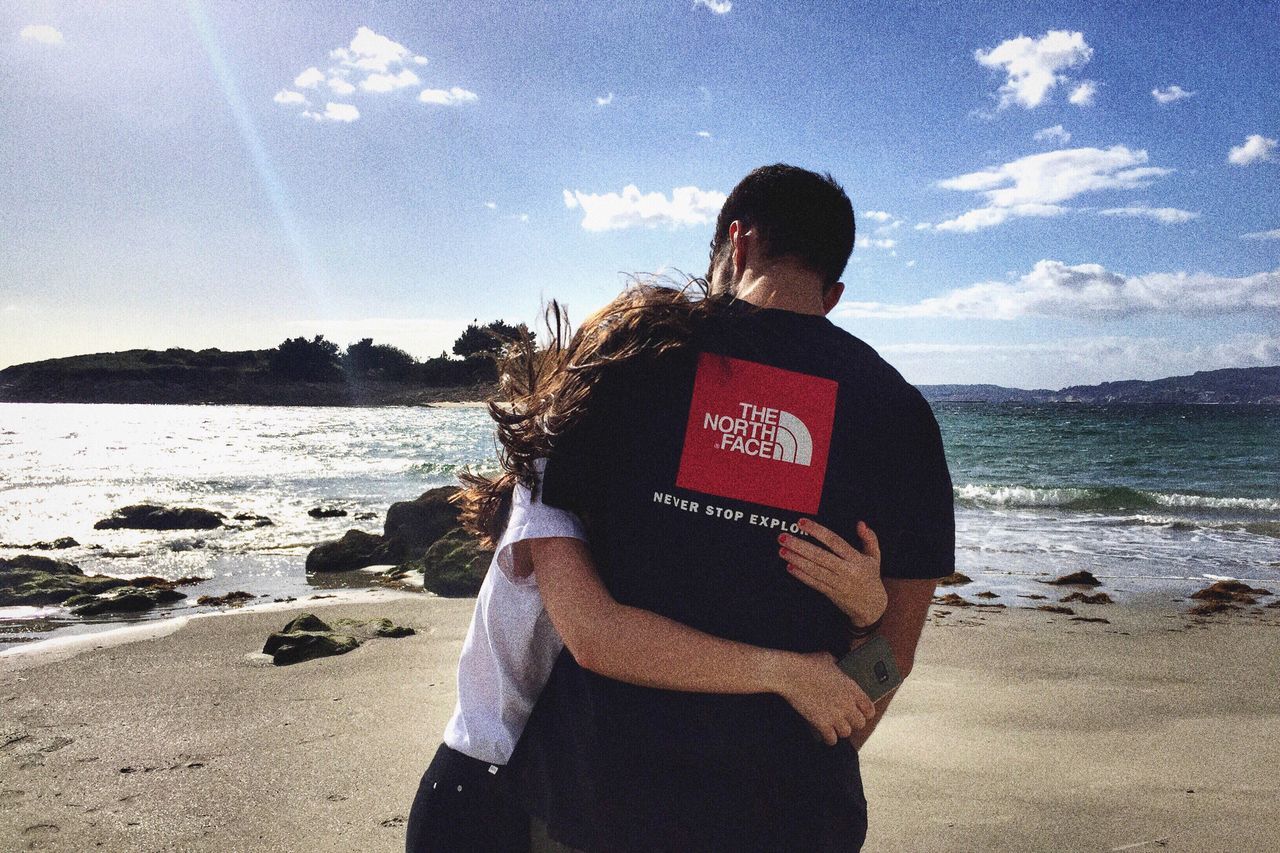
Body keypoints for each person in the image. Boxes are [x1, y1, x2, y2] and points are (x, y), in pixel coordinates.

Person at [506, 164, 956, 852]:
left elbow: (588, 630)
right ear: (834, 293)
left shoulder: (632, 363)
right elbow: (885, 672)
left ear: (735, 244)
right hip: (791, 812)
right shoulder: (901, 413)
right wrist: (849, 651)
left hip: (601, 798)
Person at [405, 402, 888, 848]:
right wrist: (788, 673)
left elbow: (838, 673)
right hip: (487, 781)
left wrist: (867, 615)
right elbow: (595, 636)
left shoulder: (661, 491)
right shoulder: (558, 467)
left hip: (568, 786)